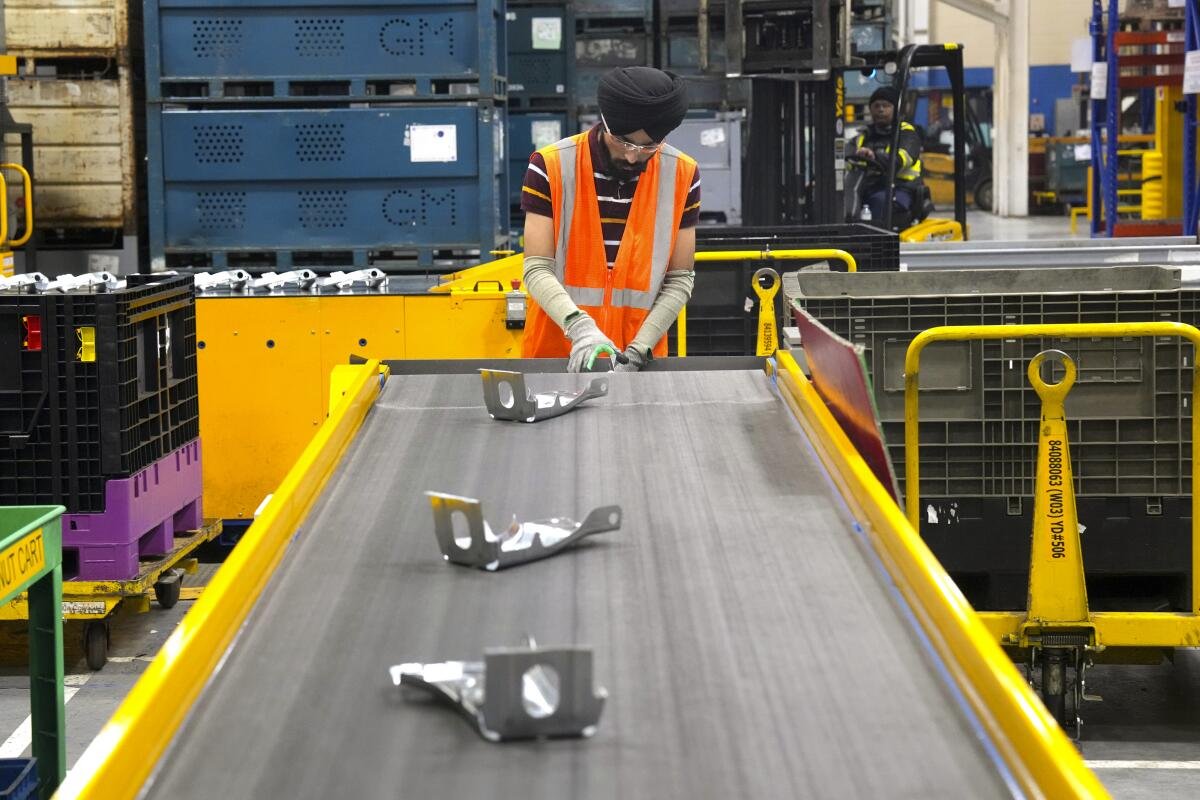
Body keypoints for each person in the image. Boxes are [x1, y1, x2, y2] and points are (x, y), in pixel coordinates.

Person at [519, 66, 701, 372]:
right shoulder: (550, 166)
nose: (633, 156)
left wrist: (639, 350)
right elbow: (537, 268)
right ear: (604, 122)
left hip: (640, 362)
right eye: (624, 142)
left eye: (648, 147)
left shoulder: (682, 174)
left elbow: (679, 280)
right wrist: (579, 329)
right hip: (557, 356)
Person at [849, 85, 924, 225]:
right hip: (868, 188)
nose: (881, 110)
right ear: (870, 109)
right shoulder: (863, 136)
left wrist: (874, 156)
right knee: (839, 201)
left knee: (878, 202)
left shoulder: (907, 134)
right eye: (876, 106)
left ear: (897, 109)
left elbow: (900, 160)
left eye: (886, 105)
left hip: (901, 189)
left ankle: (874, 242)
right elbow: (845, 157)